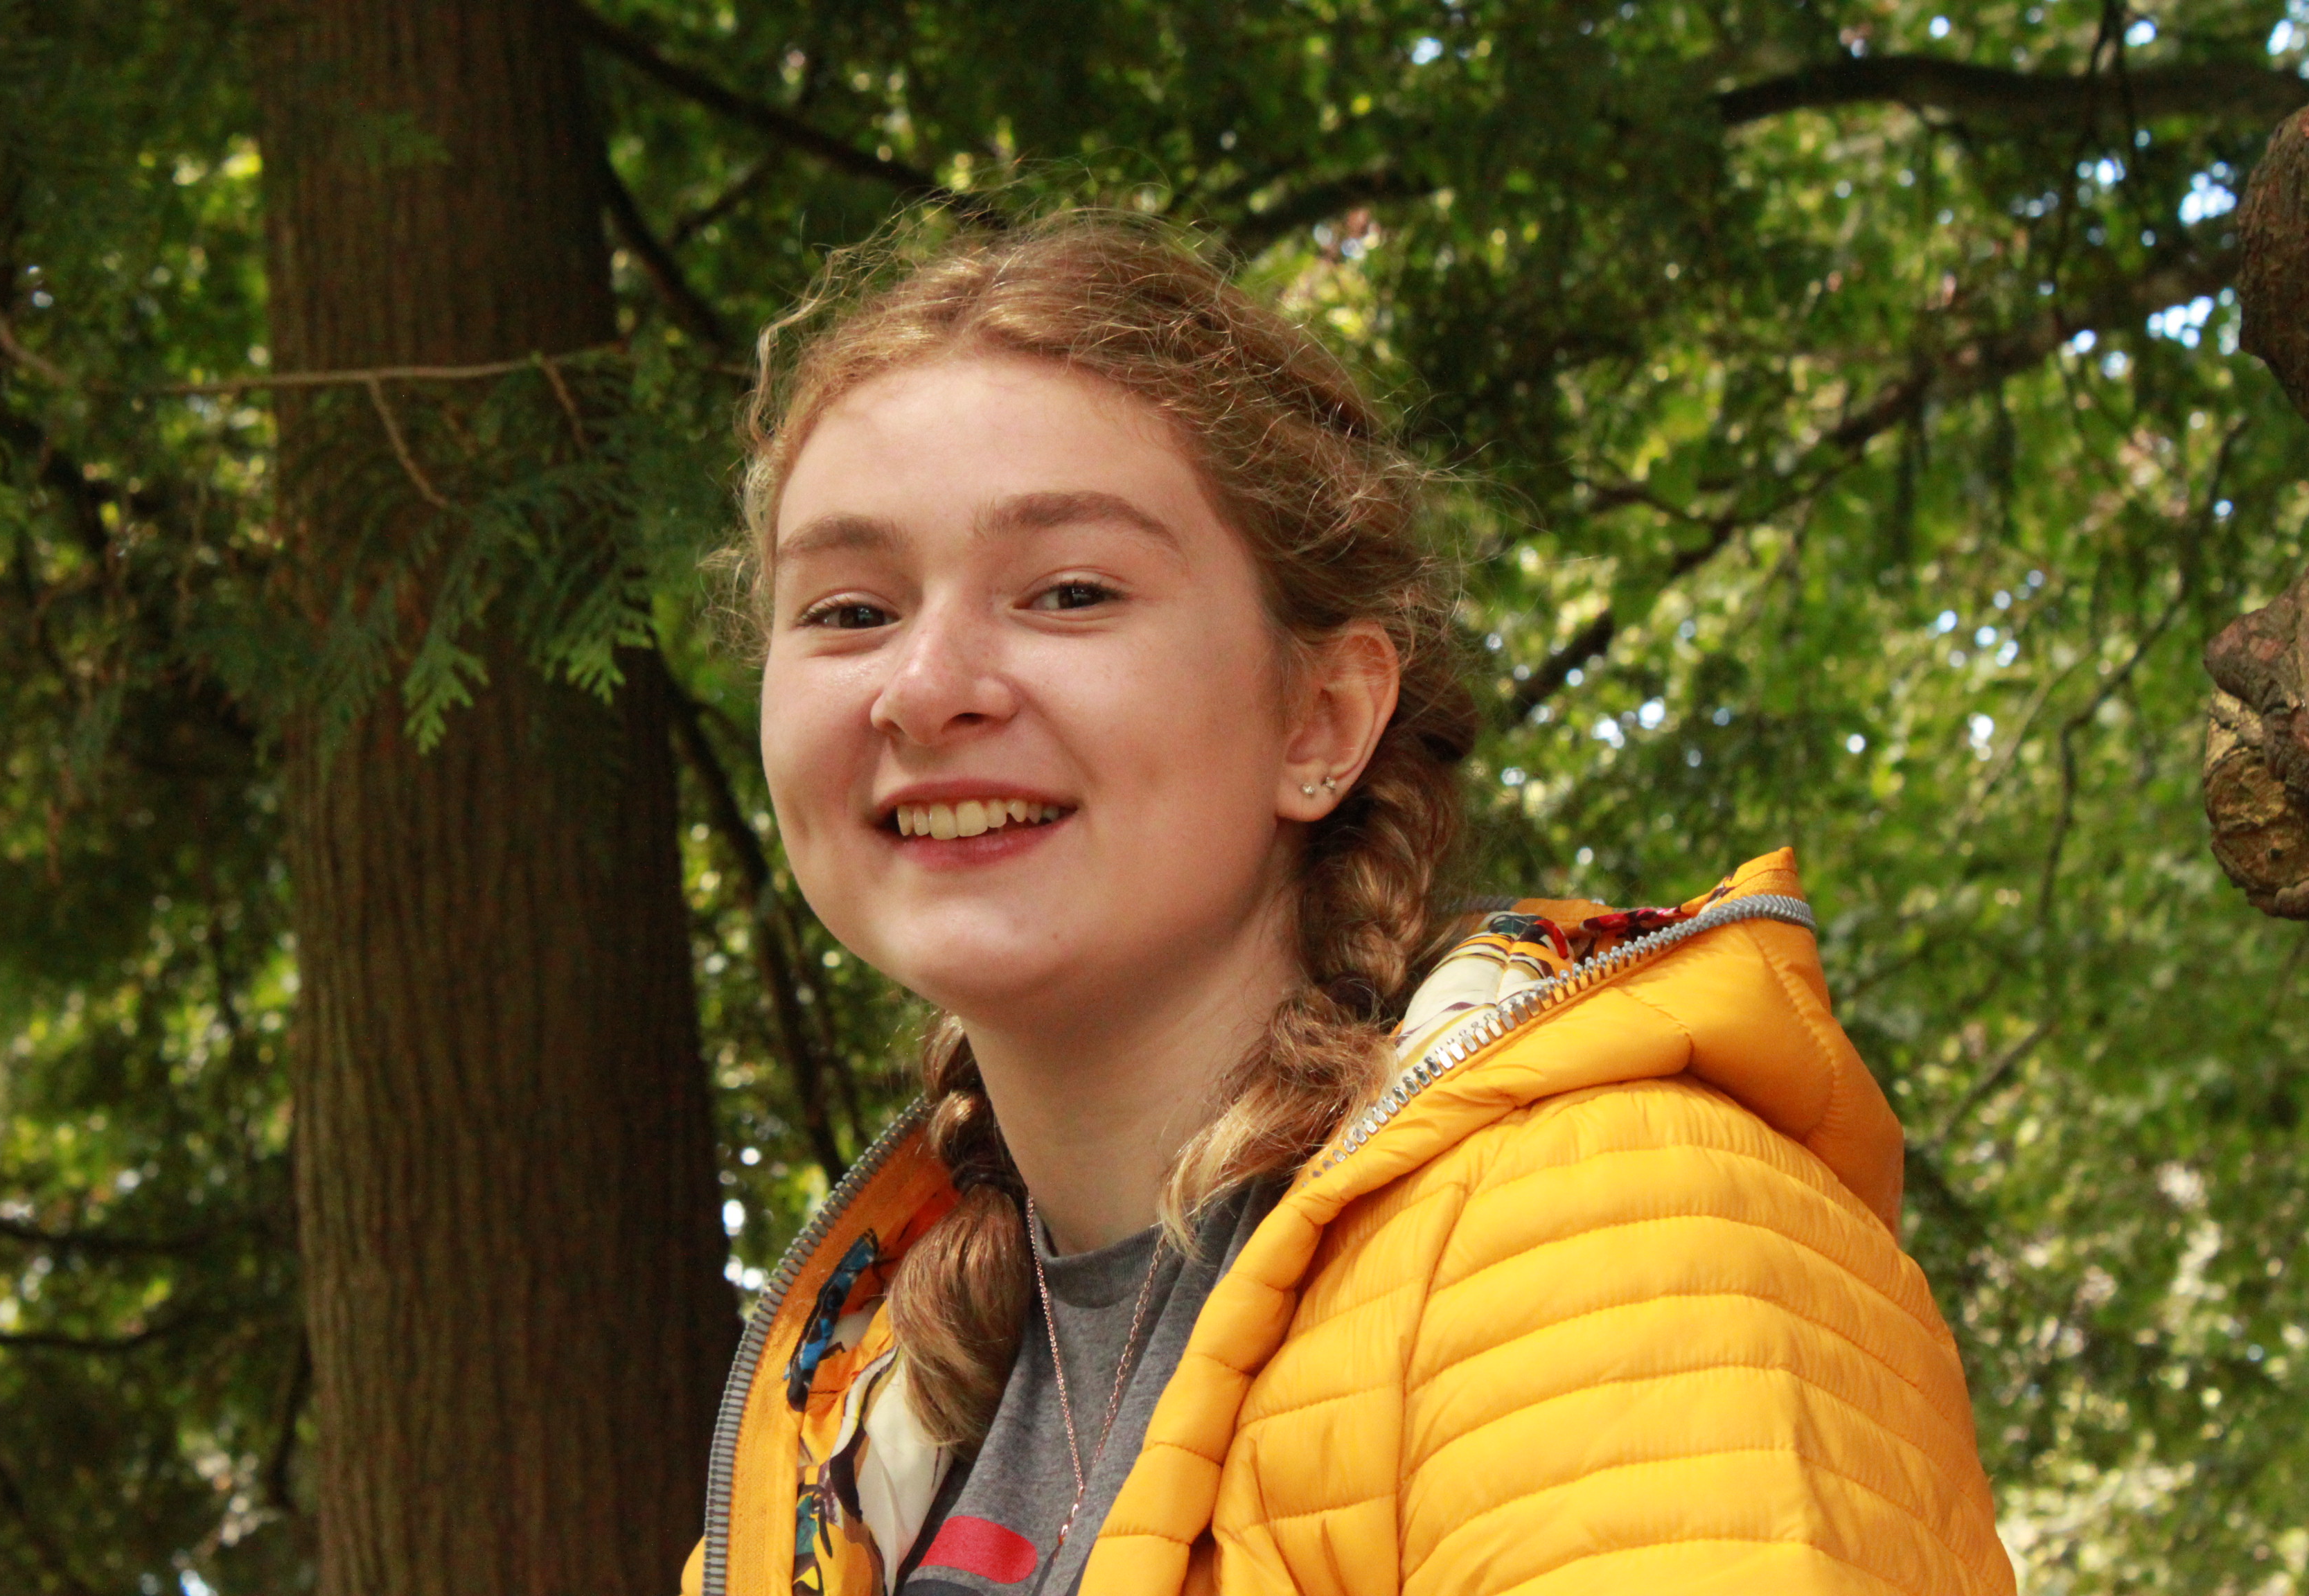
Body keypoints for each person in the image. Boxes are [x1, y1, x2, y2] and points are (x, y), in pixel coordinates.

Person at [680, 211, 2016, 1596]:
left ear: (1321, 720)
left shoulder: (1612, 1242)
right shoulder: (853, 1429)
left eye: (1070, 592)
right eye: (846, 611)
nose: (925, 685)